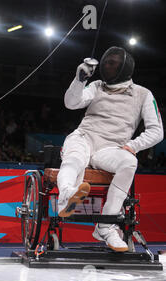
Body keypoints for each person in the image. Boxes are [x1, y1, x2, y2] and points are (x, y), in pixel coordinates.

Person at [57, 46, 164, 252]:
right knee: (75, 157)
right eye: (105, 62)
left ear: (125, 67)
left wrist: (133, 145)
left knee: (129, 161)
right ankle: (66, 195)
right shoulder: (96, 85)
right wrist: (80, 80)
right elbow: (71, 103)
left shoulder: (143, 94)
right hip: (85, 137)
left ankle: (106, 225)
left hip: (110, 148)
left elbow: (156, 131)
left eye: (112, 63)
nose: (106, 66)